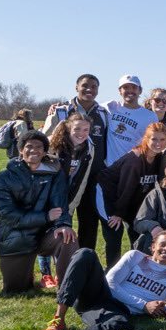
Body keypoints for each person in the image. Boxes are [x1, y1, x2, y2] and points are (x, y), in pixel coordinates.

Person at [17, 232, 166, 330]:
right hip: (101, 294)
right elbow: (111, 283)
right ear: (153, 247)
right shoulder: (135, 256)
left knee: (121, 324)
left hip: (115, 312)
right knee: (86, 253)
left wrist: (165, 311)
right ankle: (58, 319)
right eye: (162, 244)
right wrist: (144, 305)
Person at [0, 131, 80, 294]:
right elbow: (7, 215)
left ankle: (67, 289)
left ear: (45, 151)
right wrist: (45, 216)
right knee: (16, 291)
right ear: (20, 150)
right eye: (29, 146)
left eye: (39, 147)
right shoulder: (4, 178)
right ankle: (27, 279)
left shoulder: (55, 173)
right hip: (16, 238)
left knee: (67, 236)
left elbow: (60, 204)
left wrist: (63, 224)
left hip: (45, 235)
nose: (34, 150)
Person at [42, 75, 109, 256]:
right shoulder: (61, 111)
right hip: (61, 179)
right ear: (76, 87)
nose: (89, 90)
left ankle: (85, 262)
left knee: (89, 224)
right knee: (60, 221)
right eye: (85, 86)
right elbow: (43, 140)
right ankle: (58, 266)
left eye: (94, 86)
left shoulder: (103, 113)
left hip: (90, 178)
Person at [97, 122, 166, 266]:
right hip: (107, 194)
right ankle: (112, 271)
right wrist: (118, 213)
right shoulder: (135, 160)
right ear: (146, 139)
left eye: (162, 139)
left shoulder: (159, 159)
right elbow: (126, 188)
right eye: (154, 139)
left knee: (137, 233)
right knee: (115, 231)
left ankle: (133, 269)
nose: (158, 143)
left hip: (130, 199)